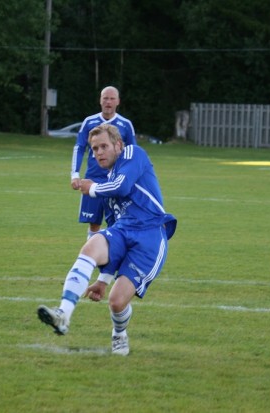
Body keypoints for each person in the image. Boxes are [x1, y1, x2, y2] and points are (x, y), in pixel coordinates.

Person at [38, 124, 177, 356]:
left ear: (118, 145)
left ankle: (119, 333)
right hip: (123, 229)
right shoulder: (107, 184)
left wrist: (92, 188)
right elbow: (112, 224)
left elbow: (122, 187)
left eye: (103, 146)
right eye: (94, 149)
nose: (98, 152)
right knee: (92, 245)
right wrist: (102, 280)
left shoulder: (133, 154)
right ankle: (63, 314)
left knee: (116, 301)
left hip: (151, 235)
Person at [71, 86, 137, 239]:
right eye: (105, 98)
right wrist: (75, 174)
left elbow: (133, 153)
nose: (108, 102)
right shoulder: (89, 122)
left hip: (116, 181)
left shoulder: (125, 124)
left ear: (118, 101)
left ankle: (113, 255)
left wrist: (132, 178)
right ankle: (92, 259)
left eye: (112, 98)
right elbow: (79, 147)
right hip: (92, 179)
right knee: (94, 223)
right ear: (100, 100)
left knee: (116, 222)